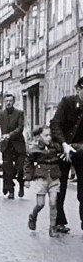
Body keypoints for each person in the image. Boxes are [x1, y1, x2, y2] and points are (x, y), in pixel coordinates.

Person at [49, 77, 83, 233]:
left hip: (81, 150)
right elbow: (55, 125)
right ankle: (58, 221)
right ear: (78, 89)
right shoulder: (67, 103)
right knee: (59, 186)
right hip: (63, 149)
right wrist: (63, 144)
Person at [0, 94, 25, 199]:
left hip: (18, 145)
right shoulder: (0, 115)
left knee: (20, 168)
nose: (8, 103)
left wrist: (9, 135)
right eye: (6, 101)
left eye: (10, 101)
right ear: (4, 102)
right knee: (8, 169)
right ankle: (11, 191)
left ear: (13, 102)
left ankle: (21, 185)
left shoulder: (19, 114)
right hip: (6, 146)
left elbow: (20, 128)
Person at [24, 127, 63, 237]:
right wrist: (27, 178)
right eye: (46, 135)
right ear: (39, 136)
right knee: (40, 204)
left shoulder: (56, 147)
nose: (49, 138)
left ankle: (52, 228)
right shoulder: (34, 150)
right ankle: (33, 215)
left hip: (54, 177)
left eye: (50, 135)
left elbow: (63, 154)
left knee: (53, 203)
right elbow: (28, 164)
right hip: (41, 178)